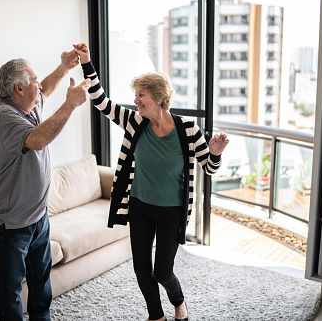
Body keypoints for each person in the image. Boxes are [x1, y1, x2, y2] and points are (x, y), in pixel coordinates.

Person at [73, 43, 229, 321]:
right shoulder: (135, 122)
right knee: (142, 268)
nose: (136, 100)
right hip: (140, 206)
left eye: (141, 95)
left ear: (158, 97)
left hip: (172, 211)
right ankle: (156, 316)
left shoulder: (188, 129)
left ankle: (179, 302)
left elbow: (209, 168)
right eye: (135, 95)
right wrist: (87, 62)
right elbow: (101, 101)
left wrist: (214, 152)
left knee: (162, 271)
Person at [0, 51, 89, 320]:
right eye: (33, 80)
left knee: (41, 284)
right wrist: (71, 105)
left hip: (38, 216)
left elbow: (47, 87)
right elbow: (39, 140)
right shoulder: (4, 116)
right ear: (18, 88)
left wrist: (64, 67)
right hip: (11, 223)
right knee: (11, 291)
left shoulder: (27, 105)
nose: (39, 84)